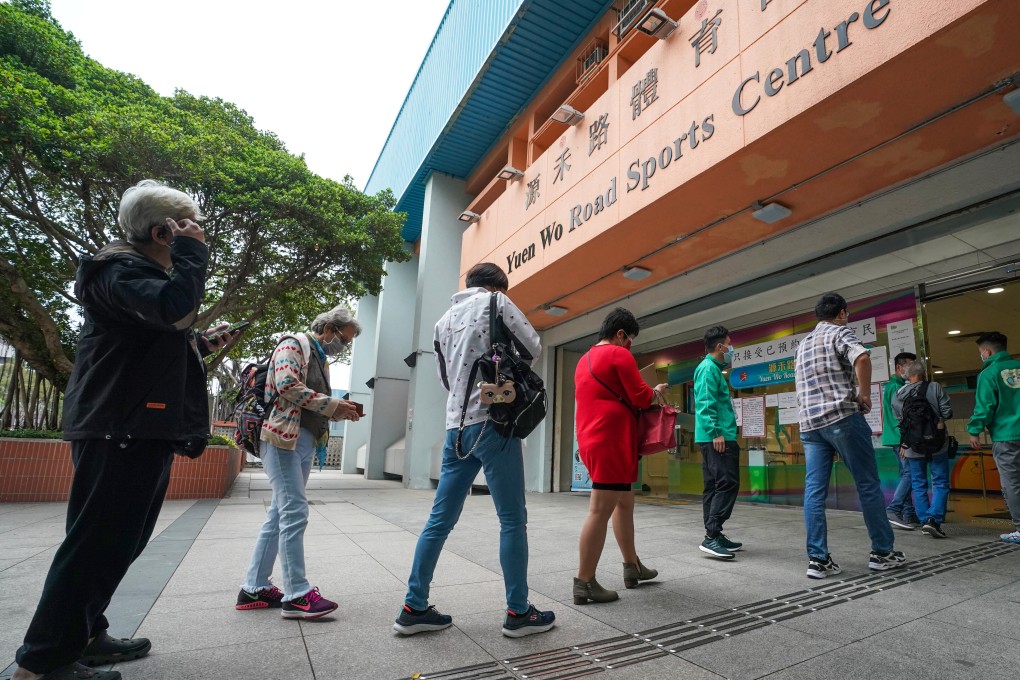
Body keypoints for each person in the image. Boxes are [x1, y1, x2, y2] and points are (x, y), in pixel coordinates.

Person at [12, 180, 241, 680]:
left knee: (119, 540)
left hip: (132, 423)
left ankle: (85, 634)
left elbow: (154, 341)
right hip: (121, 426)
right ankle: (41, 663)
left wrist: (200, 345)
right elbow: (172, 310)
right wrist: (192, 254)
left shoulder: (131, 276)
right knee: (97, 543)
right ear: (162, 231)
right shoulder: (120, 270)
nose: (197, 236)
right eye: (186, 228)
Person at [393, 263, 555, 637]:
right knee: (512, 519)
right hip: (494, 422)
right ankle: (518, 612)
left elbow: (446, 379)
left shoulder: (443, 321)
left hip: (455, 429)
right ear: (498, 285)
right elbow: (533, 344)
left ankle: (413, 606)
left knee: (439, 520)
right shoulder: (497, 302)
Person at [236, 306, 362, 618]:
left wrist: (338, 408)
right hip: (282, 438)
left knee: (281, 513)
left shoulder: (320, 358)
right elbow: (287, 385)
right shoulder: (293, 344)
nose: (342, 346)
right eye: (343, 340)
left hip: (303, 440)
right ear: (330, 327)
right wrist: (333, 406)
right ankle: (297, 594)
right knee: (294, 510)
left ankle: (253, 586)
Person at [795, 292, 905, 579]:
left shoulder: (803, 344)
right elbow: (863, 358)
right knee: (867, 483)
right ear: (842, 313)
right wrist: (864, 393)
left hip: (809, 425)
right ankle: (882, 553)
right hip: (842, 418)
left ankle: (818, 560)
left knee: (814, 491)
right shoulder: (839, 332)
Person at [572, 308, 669, 604]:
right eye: (630, 340)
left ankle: (632, 566)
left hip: (592, 437)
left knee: (624, 502)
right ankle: (584, 581)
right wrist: (656, 390)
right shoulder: (619, 354)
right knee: (600, 509)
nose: (630, 346)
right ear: (620, 334)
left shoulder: (583, 360)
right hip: (611, 439)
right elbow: (640, 396)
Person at [693, 326, 742, 560]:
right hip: (718, 437)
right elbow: (704, 402)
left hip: (715, 435)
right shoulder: (707, 369)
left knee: (714, 485)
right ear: (720, 346)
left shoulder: (713, 369)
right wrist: (716, 432)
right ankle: (712, 535)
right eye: (729, 344)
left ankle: (715, 533)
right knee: (727, 482)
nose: (731, 348)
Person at [967, 331, 1020, 544]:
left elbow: (985, 406)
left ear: (987, 352)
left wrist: (974, 430)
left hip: (1007, 436)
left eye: (981, 352)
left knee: (1013, 483)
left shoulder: (989, 373)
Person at [892, 361, 952, 538]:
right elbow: (947, 412)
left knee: (918, 483)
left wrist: (905, 442)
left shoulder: (899, 393)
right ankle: (934, 519)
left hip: (912, 445)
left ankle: (925, 519)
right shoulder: (934, 387)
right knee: (940, 481)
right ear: (923, 373)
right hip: (937, 443)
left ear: (907, 376)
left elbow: (899, 421)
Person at [883, 352, 920, 530]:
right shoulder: (896, 388)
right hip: (900, 438)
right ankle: (894, 509)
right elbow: (902, 416)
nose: (912, 369)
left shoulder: (894, 386)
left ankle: (908, 514)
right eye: (909, 365)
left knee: (905, 474)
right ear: (899, 367)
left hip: (896, 437)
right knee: (910, 473)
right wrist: (906, 440)